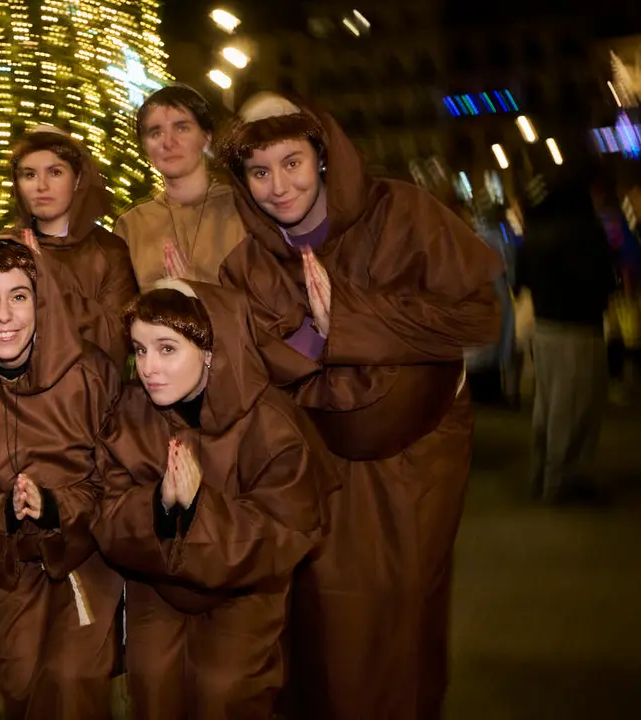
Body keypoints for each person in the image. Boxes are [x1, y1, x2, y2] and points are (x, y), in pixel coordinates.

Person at [216, 92, 503, 719]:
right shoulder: (248, 263)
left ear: (322, 155)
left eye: (291, 162)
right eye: (259, 172)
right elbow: (254, 363)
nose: (278, 187)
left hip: (413, 466)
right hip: (314, 469)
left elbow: (477, 316)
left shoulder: (402, 211)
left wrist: (349, 320)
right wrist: (316, 339)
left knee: (398, 617)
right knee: (317, 623)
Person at [95, 281, 338, 718]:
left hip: (245, 587)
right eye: (140, 349)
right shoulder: (131, 412)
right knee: (153, 685)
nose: (148, 367)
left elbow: (285, 531)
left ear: (209, 349)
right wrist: (160, 504)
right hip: (159, 583)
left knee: (224, 692)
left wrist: (199, 508)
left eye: (167, 349)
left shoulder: (271, 422)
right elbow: (107, 514)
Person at [0, 237, 123, 719]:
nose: (4, 315)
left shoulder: (90, 373)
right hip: (6, 562)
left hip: (84, 551)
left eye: (19, 296)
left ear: (42, 303)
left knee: (72, 683)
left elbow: (119, 480)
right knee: (19, 684)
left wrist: (57, 505)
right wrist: (3, 510)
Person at [516, 178, 617, 504]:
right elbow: (603, 279)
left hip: (545, 329)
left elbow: (522, 279)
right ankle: (564, 480)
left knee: (548, 408)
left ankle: (542, 475)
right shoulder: (585, 232)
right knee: (576, 409)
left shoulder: (537, 233)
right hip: (580, 330)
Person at [9, 126, 139, 366]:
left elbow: (117, 341)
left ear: (78, 179)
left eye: (55, 172)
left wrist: (48, 281)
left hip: (89, 393)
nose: (41, 186)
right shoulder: (3, 249)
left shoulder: (109, 251)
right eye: (29, 175)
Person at [114, 85, 245, 287]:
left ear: (206, 137)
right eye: (155, 133)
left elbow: (264, 303)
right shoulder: (131, 226)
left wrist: (199, 289)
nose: (168, 142)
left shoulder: (242, 211)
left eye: (182, 128)